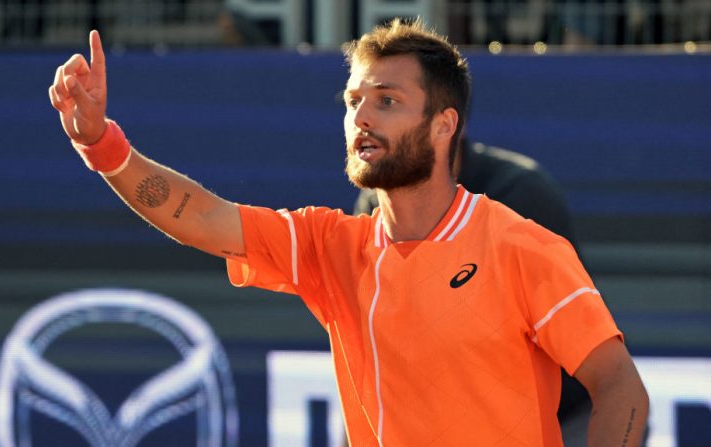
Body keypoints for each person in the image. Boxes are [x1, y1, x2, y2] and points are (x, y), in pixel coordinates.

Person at [48, 19, 649, 446]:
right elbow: (201, 216)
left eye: (386, 100)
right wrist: (102, 145)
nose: (360, 116)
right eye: (353, 99)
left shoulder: (520, 243)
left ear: (444, 126)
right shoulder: (332, 246)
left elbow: (618, 384)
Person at [354, 136, 593, 445]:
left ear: (447, 123)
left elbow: (584, 347)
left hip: (568, 420)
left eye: (391, 103)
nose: (369, 123)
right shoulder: (377, 206)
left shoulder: (522, 193)